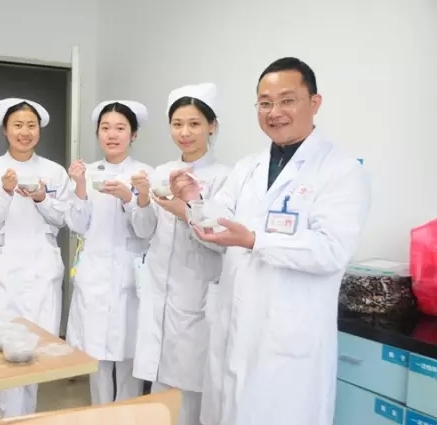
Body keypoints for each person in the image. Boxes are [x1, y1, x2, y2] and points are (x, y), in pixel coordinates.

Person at [170, 57, 371, 425]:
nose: (274, 112)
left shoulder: (341, 171)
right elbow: (216, 228)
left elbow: (331, 251)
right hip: (234, 331)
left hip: (287, 343)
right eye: (264, 103)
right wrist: (194, 199)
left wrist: (255, 240)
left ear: (314, 102)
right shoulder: (247, 168)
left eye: (287, 100)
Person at [129, 83, 229, 425]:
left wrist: (186, 211)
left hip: (197, 298)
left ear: (212, 126)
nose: (184, 132)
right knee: (161, 398)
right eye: (177, 124)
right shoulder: (160, 173)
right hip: (159, 293)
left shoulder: (224, 178)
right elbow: (144, 231)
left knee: (191, 399)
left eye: (194, 123)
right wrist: (143, 199)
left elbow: (221, 241)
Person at [0, 97, 71, 418]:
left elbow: (63, 219)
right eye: (17, 125)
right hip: (4, 271)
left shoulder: (54, 171)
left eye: (31, 125)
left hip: (42, 270)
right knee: (6, 357)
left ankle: (27, 419)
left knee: (36, 354)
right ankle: (10, 419)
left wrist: (42, 197)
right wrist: (5, 192)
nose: (25, 132)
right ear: (5, 131)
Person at [65, 100, 152, 405]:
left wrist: (131, 198)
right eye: (105, 128)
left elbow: (146, 229)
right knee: (97, 362)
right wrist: (79, 186)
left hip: (130, 279)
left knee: (129, 362)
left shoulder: (145, 174)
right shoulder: (86, 173)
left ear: (133, 134)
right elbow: (77, 225)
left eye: (120, 128)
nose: (112, 135)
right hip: (95, 278)